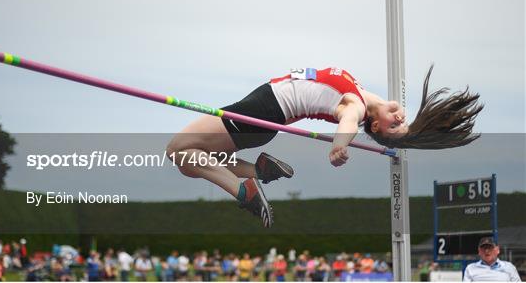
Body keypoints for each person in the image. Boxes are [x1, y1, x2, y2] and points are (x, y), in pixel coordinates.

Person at [167, 66, 483, 227]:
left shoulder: (356, 106)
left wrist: (339, 146)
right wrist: (412, 131)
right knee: (189, 163)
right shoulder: (361, 93)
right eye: (403, 120)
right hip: (263, 113)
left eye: (395, 125)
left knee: (177, 150)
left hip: (261, 112)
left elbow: (347, 121)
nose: (400, 117)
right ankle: (258, 171)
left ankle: (244, 190)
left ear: (374, 126)